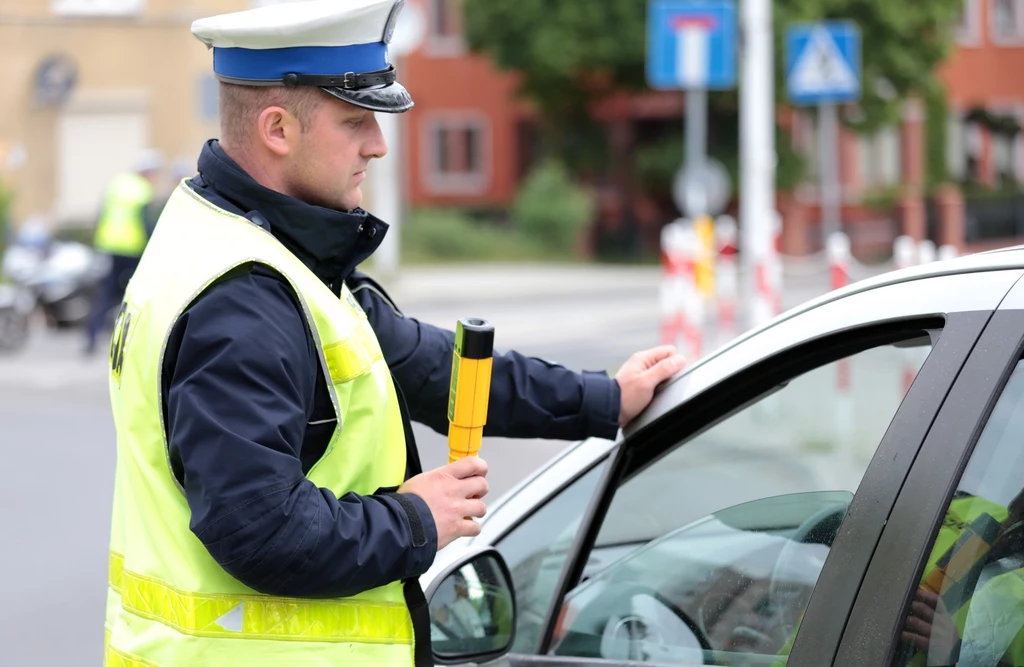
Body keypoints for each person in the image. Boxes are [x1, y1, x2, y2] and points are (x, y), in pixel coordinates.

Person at [101, 1, 686, 665]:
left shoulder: (251, 242)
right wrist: (414, 518)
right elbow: (256, 527)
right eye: (355, 121)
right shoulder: (241, 300)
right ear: (277, 129)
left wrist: (605, 399)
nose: (377, 144)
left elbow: (431, 366)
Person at [83, 148, 162, 355]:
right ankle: (137, 342)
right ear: (148, 172)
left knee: (105, 294)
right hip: (131, 250)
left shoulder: (117, 184)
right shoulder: (143, 190)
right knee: (137, 294)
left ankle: (91, 338)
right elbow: (145, 223)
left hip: (108, 246)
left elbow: (101, 213)